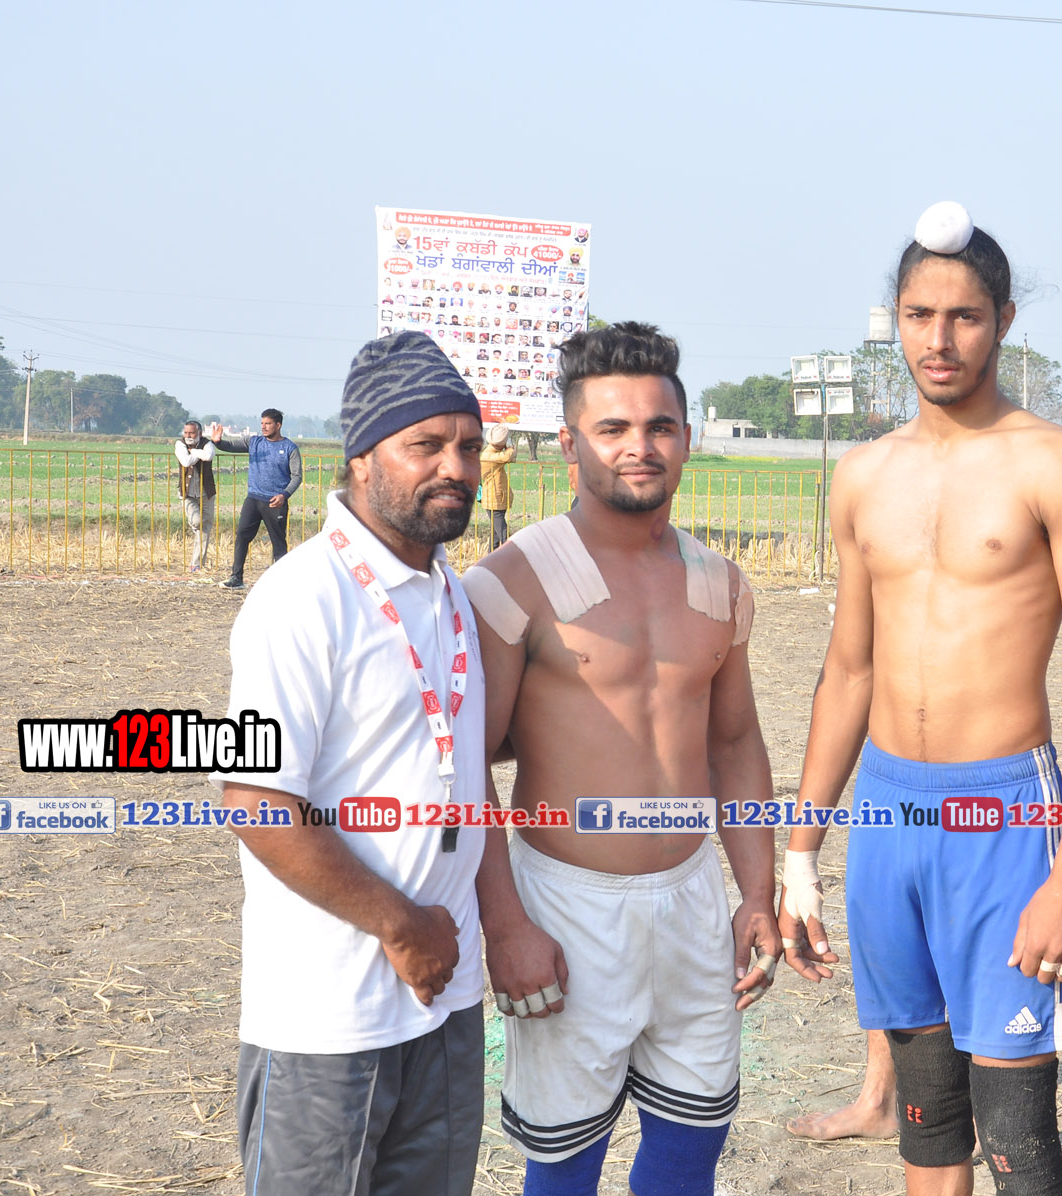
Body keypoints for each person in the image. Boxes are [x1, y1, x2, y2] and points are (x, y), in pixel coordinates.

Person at [777, 202, 1062, 1196]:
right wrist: (801, 850)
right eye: (919, 315)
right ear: (894, 319)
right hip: (888, 812)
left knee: (1016, 1133)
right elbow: (848, 669)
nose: (938, 339)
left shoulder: (1055, 463)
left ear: (1004, 320)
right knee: (927, 1116)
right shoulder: (863, 474)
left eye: (964, 316)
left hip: (1005, 816)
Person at [460, 322, 779, 1196]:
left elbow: (733, 742)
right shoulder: (512, 581)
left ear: (687, 437)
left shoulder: (719, 582)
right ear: (570, 445)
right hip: (567, 905)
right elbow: (468, 769)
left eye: (659, 426)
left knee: (691, 1145)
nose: (640, 447)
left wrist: (757, 892)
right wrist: (506, 927)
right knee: (565, 1160)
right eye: (612, 429)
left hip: (690, 899)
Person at [210, 330, 489, 1196]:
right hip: (329, 1014)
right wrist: (401, 927)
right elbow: (255, 801)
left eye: (469, 446)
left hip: (446, 999)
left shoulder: (450, 590)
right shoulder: (300, 598)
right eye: (426, 445)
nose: (455, 468)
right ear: (362, 456)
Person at [213, 408, 303, 589]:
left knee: (278, 542)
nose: (264, 427)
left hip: (275, 502)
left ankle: (282, 582)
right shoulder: (254, 442)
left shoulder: (290, 448)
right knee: (242, 536)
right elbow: (230, 446)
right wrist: (218, 442)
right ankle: (236, 578)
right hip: (253, 499)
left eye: (268, 424)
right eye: (262, 423)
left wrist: (284, 495)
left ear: (278, 425)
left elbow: (297, 476)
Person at [172, 419, 217, 572]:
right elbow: (186, 461)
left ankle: (196, 564)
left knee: (205, 528)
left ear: (199, 433)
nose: (188, 436)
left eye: (191, 433)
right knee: (197, 522)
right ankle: (195, 529)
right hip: (188, 493)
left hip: (206, 493)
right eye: (186, 432)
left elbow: (209, 456)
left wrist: (195, 452)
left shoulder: (207, 443)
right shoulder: (180, 444)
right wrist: (199, 454)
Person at [481, 423, 517, 548]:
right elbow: (508, 456)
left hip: (497, 498)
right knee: (503, 533)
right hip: (494, 499)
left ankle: (492, 557)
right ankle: (510, 552)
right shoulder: (489, 455)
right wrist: (510, 448)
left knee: (495, 535)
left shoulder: (492, 452)